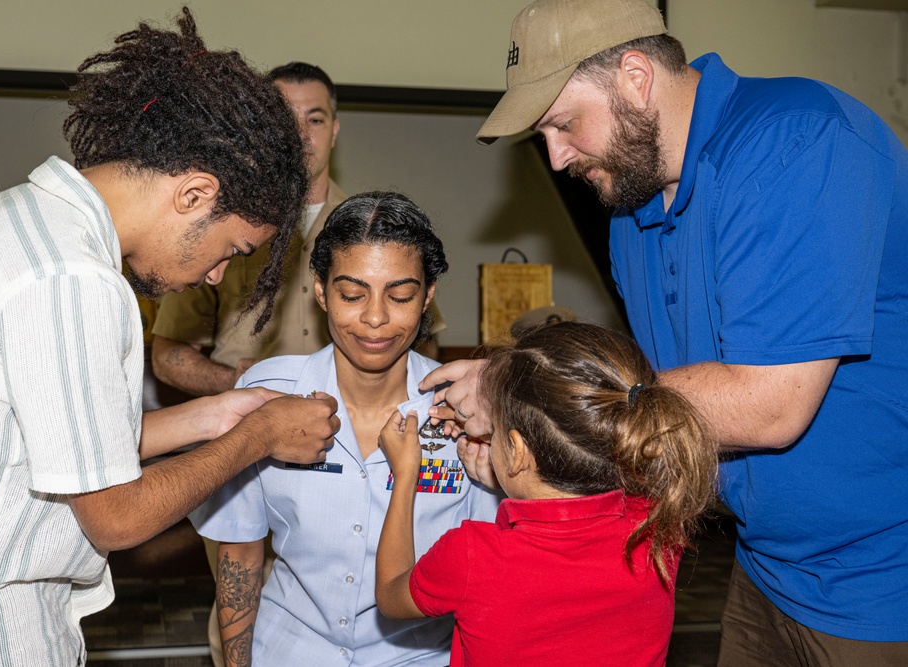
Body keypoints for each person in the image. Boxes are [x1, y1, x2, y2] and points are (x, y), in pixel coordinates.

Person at [425, 0, 908, 664]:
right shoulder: (632, 213)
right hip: (766, 567)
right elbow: (662, 402)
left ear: (635, 76)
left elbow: (769, 403)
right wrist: (528, 469)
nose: (557, 157)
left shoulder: (796, 143)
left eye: (564, 123)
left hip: (879, 581)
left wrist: (522, 392)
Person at [0, 8, 340, 665]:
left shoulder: (19, 225)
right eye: (231, 249)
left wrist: (212, 416)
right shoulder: (73, 278)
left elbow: (60, 445)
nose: (217, 274)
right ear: (196, 193)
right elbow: (116, 513)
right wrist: (256, 438)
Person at [191, 192, 500, 667]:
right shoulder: (268, 394)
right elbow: (241, 549)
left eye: (400, 296)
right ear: (320, 291)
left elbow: (489, 566)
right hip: (290, 652)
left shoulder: (463, 408)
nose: (375, 318)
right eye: (352, 295)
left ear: (428, 296)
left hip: (420, 656)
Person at [377, 321, 717, 666]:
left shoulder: (470, 555)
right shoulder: (658, 524)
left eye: (493, 431)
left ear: (519, 450)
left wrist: (407, 474)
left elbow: (391, 595)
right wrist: (511, 477)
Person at [151, 62, 348, 395]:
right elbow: (167, 355)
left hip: (346, 430)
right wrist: (236, 383)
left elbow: (422, 340)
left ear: (335, 131)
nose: (301, 135)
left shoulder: (372, 224)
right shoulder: (216, 222)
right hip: (239, 427)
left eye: (315, 120)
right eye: (286, 120)